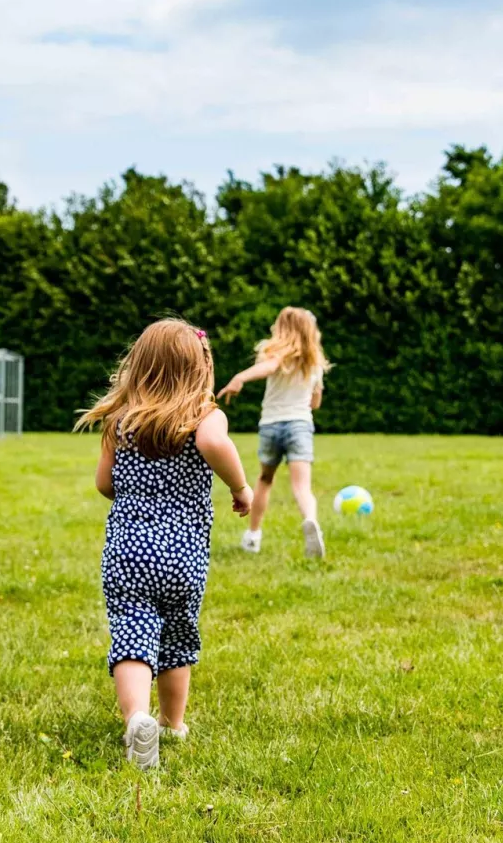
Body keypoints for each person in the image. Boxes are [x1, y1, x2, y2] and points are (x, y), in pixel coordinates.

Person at [75, 319, 255, 770]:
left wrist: (137, 491)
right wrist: (240, 488)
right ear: (200, 368)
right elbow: (215, 442)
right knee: (177, 640)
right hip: (183, 557)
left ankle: (137, 717)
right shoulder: (204, 415)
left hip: (127, 551)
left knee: (132, 637)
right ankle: (173, 724)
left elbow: (104, 484)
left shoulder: (121, 420)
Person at [217, 307, 331, 560]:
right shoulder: (315, 364)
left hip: (271, 425)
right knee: (302, 487)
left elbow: (269, 368)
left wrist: (240, 377)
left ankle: (253, 536)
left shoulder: (277, 354)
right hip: (300, 425)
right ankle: (311, 521)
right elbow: (315, 403)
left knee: (265, 480)